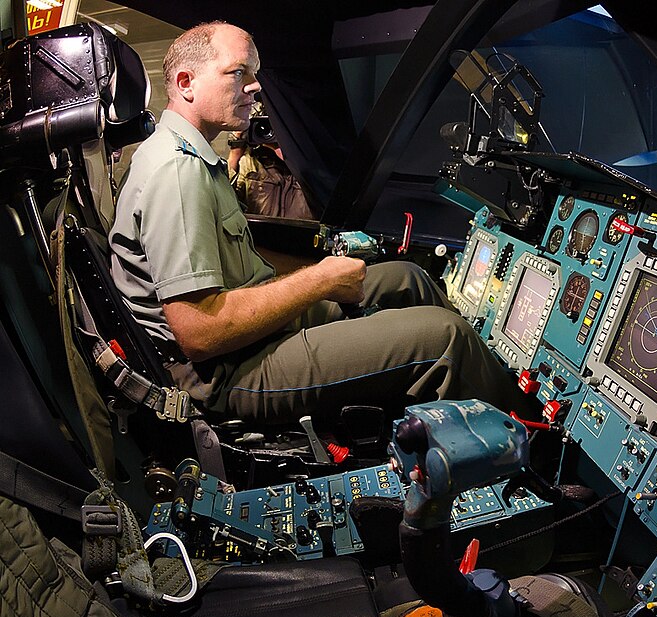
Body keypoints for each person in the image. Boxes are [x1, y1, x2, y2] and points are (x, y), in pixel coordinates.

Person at [109, 21, 532, 425]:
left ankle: (468, 394)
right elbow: (199, 332)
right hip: (224, 372)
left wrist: (316, 274)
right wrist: (320, 281)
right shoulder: (176, 171)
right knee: (446, 340)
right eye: (239, 73)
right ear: (186, 83)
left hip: (244, 333)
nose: (255, 86)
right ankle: (531, 443)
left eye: (254, 74)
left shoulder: (194, 158)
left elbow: (239, 262)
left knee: (408, 278)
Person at [226, 102, 316, 220]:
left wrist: (292, 155)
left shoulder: (313, 166)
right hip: (259, 235)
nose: (277, 134)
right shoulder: (251, 163)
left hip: (301, 236)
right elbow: (226, 203)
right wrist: (236, 150)